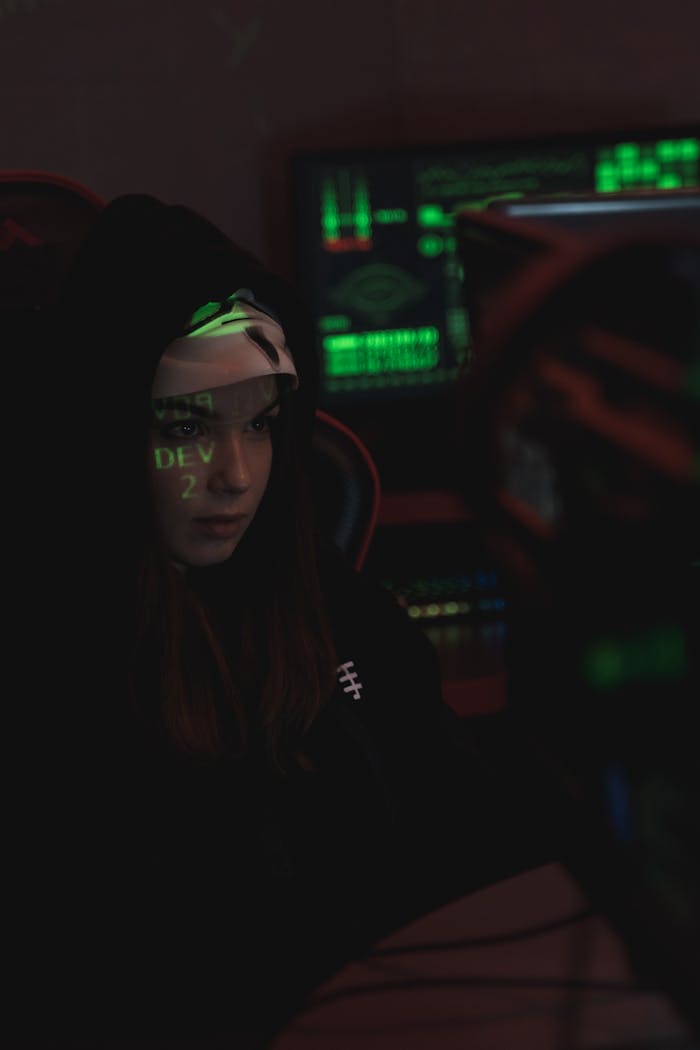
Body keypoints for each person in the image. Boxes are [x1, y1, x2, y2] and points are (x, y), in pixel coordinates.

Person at [7, 194, 556, 1048]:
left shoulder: (318, 593)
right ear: (109, 424)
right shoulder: (54, 652)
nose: (233, 474)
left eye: (261, 426)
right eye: (186, 426)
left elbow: (466, 828)